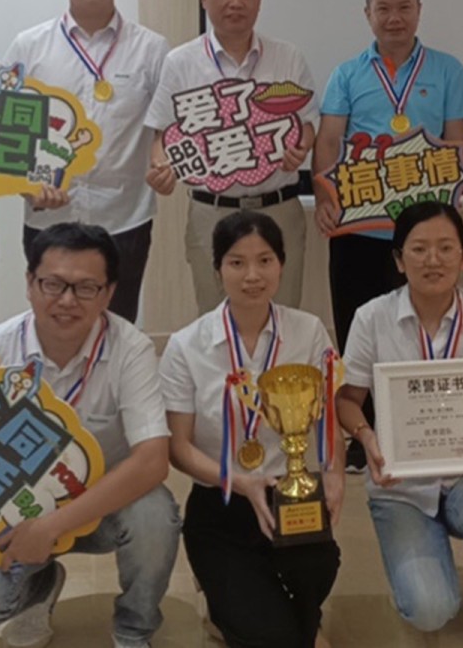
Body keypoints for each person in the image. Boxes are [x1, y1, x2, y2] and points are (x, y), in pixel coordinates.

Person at [0, 223, 180, 648]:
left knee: (154, 515)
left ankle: (134, 628)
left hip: (101, 505)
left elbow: (153, 460)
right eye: (53, 284)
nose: (67, 300)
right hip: (9, 513)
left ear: (108, 293)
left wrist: (52, 526)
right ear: (29, 284)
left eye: (86, 288)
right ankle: (38, 588)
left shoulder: (130, 348)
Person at [335, 201, 463, 648]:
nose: (433, 260)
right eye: (419, 249)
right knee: (430, 611)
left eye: (446, 248)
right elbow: (347, 400)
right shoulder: (372, 318)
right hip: (402, 486)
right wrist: (367, 437)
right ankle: (429, 567)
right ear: (399, 260)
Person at [315, 0, 463, 472]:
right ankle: (362, 436)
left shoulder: (448, 70)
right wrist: (322, 194)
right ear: (367, 15)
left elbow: (457, 141)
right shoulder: (346, 74)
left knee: (425, 327)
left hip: (423, 231)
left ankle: (422, 431)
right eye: (383, 8)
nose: (394, 18)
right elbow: (329, 140)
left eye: (404, 7)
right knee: (356, 328)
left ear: (419, 10)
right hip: (359, 227)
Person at [159, 211, 341, 648]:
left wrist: (335, 478)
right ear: (217, 269)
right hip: (222, 498)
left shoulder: (309, 331)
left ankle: (290, 617)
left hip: (289, 493)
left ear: (282, 264)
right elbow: (179, 448)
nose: (252, 276)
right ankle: (234, 606)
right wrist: (241, 481)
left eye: (265, 260)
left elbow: (328, 419)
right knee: (270, 637)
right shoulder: (186, 346)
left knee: (319, 565)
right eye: (237, 262)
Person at [6, 0, 169, 322]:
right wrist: (27, 185)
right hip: (49, 216)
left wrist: (164, 163)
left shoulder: (151, 48)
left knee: (118, 325)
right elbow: (5, 131)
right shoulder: (28, 46)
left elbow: (165, 127)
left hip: (124, 216)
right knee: (54, 323)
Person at [146, 0, 318, 313]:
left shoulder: (287, 56)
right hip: (212, 211)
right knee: (215, 317)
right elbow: (162, 132)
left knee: (284, 314)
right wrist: (162, 167)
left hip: (279, 208)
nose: (236, 2)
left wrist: (300, 149)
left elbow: (306, 125)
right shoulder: (181, 61)